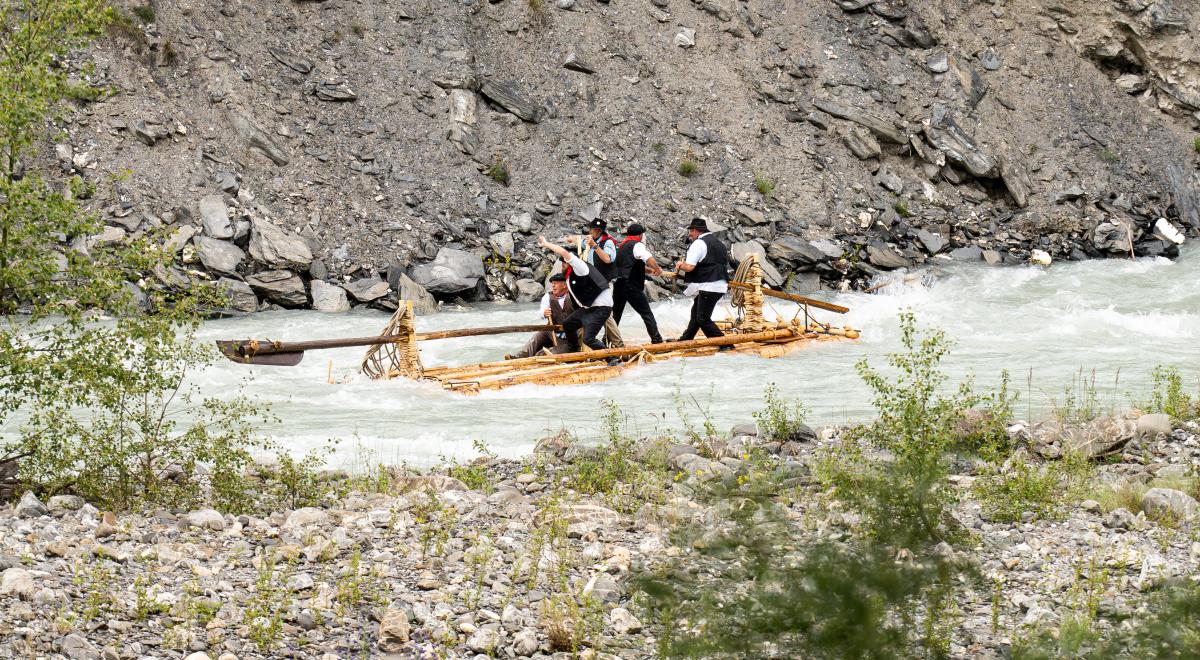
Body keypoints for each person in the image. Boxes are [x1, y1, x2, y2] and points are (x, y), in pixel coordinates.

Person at [537, 235, 621, 365]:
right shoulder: (570, 277)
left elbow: (564, 252)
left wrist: (546, 244)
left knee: (588, 339)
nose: (563, 265)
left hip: (602, 307)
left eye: (564, 263)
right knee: (568, 324)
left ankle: (612, 357)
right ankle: (574, 350)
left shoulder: (580, 266)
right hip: (589, 308)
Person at [675, 217, 730, 346]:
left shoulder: (699, 243)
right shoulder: (718, 243)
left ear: (696, 231)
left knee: (703, 318)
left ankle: (725, 343)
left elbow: (689, 267)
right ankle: (686, 339)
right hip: (720, 284)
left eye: (691, 231)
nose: (690, 234)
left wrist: (679, 265)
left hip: (709, 285)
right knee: (696, 312)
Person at [612, 222, 664, 344]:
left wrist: (648, 270)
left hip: (619, 284)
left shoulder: (622, 246)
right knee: (646, 313)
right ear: (640, 235)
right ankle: (657, 340)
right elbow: (648, 258)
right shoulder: (637, 245)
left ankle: (608, 340)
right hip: (631, 285)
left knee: (616, 315)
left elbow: (629, 264)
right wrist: (657, 269)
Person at [507, 274, 576, 359]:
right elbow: (541, 313)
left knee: (561, 351)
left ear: (564, 285)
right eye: (552, 284)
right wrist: (544, 313)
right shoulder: (547, 296)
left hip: (569, 337)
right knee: (539, 335)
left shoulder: (574, 296)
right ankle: (521, 356)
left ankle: (543, 354)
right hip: (552, 332)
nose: (553, 286)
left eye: (556, 283)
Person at [579, 218, 624, 348]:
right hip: (592, 283)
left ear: (598, 231)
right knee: (588, 309)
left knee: (606, 313)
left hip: (605, 283)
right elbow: (580, 243)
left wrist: (595, 246)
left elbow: (608, 259)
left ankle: (618, 344)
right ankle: (584, 344)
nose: (589, 230)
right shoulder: (590, 240)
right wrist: (572, 240)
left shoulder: (608, 242)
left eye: (591, 229)